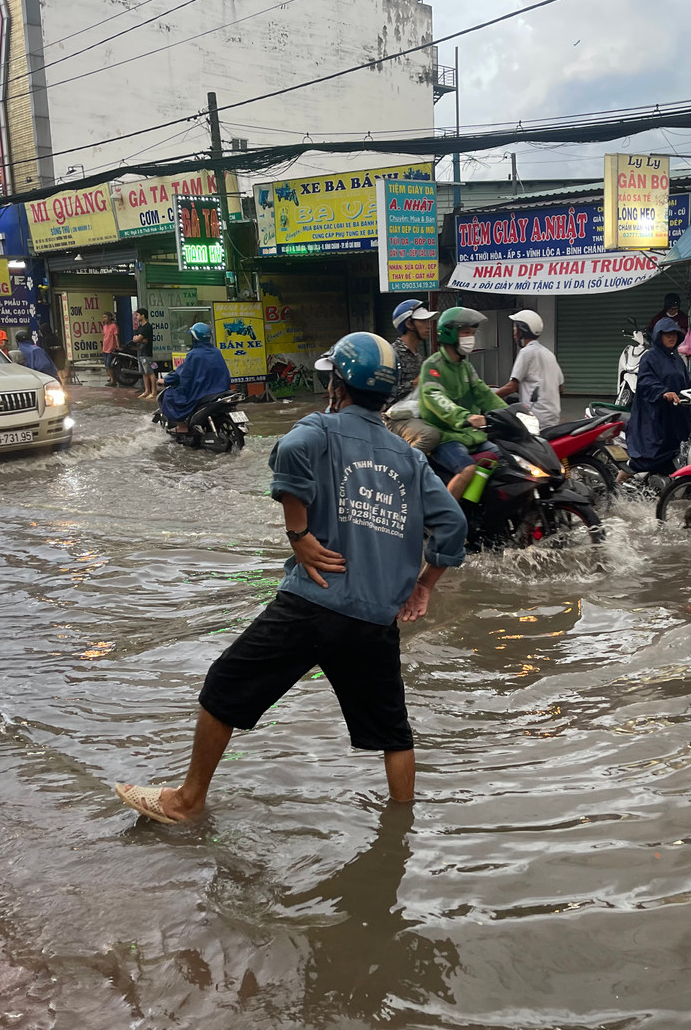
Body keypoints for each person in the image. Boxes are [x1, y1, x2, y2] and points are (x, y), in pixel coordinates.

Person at [114, 332, 467, 822]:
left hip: (313, 603)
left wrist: (297, 532)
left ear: (337, 386)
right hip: (374, 619)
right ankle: (400, 829)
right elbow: (453, 523)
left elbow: (290, 451)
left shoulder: (319, 430)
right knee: (393, 732)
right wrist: (425, 584)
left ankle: (188, 801)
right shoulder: (407, 456)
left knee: (222, 689)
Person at [418, 307, 507, 501]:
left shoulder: (466, 367)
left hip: (470, 436)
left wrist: (511, 415)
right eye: (466, 332)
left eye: (473, 333)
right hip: (446, 437)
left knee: (509, 460)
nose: (470, 338)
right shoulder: (432, 366)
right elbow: (436, 398)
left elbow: (484, 394)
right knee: (467, 469)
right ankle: (446, 520)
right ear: (450, 333)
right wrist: (466, 417)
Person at [621, 316, 691, 482]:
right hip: (655, 414)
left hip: (675, 412)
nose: (671, 337)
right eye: (666, 334)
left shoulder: (677, 359)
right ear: (658, 336)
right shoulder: (650, 358)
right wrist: (663, 392)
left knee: (678, 449)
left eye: (674, 334)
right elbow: (646, 381)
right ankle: (625, 473)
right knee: (653, 452)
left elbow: (688, 378)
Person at [382, 299, 440, 453]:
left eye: (429, 321)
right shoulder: (392, 354)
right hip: (395, 418)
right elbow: (384, 394)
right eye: (423, 321)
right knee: (430, 436)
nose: (429, 325)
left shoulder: (418, 356)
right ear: (409, 324)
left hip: (416, 412)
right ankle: (403, 466)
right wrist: (413, 384)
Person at [495, 308, 563, 429]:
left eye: (515, 328)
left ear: (523, 330)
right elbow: (560, 388)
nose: (514, 332)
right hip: (553, 417)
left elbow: (512, 387)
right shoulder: (548, 353)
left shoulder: (526, 353)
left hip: (536, 418)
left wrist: (489, 396)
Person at [159, 322, 231, 433]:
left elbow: (182, 373)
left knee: (170, 395)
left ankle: (182, 426)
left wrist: (166, 380)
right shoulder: (216, 352)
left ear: (194, 338)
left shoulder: (194, 354)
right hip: (220, 390)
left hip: (202, 391)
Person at [130, 308, 155, 399]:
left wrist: (139, 339)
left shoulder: (147, 326)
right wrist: (139, 339)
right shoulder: (140, 327)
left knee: (150, 372)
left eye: (138, 315)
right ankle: (147, 390)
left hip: (146, 353)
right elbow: (135, 338)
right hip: (140, 352)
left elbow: (139, 338)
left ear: (143, 315)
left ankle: (154, 391)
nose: (136, 317)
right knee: (144, 373)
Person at [39, 319, 68, 387]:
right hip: (60, 359)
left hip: (51, 360)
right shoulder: (57, 338)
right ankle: (62, 386)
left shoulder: (45, 340)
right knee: (61, 374)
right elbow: (62, 349)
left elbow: (46, 351)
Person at [101, 311, 119, 386]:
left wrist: (118, 346)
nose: (104, 319)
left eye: (105, 317)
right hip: (105, 348)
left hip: (111, 349)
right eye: (103, 317)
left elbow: (116, 337)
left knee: (109, 365)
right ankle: (111, 378)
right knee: (106, 365)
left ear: (109, 318)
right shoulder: (104, 327)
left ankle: (113, 381)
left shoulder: (114, 326)